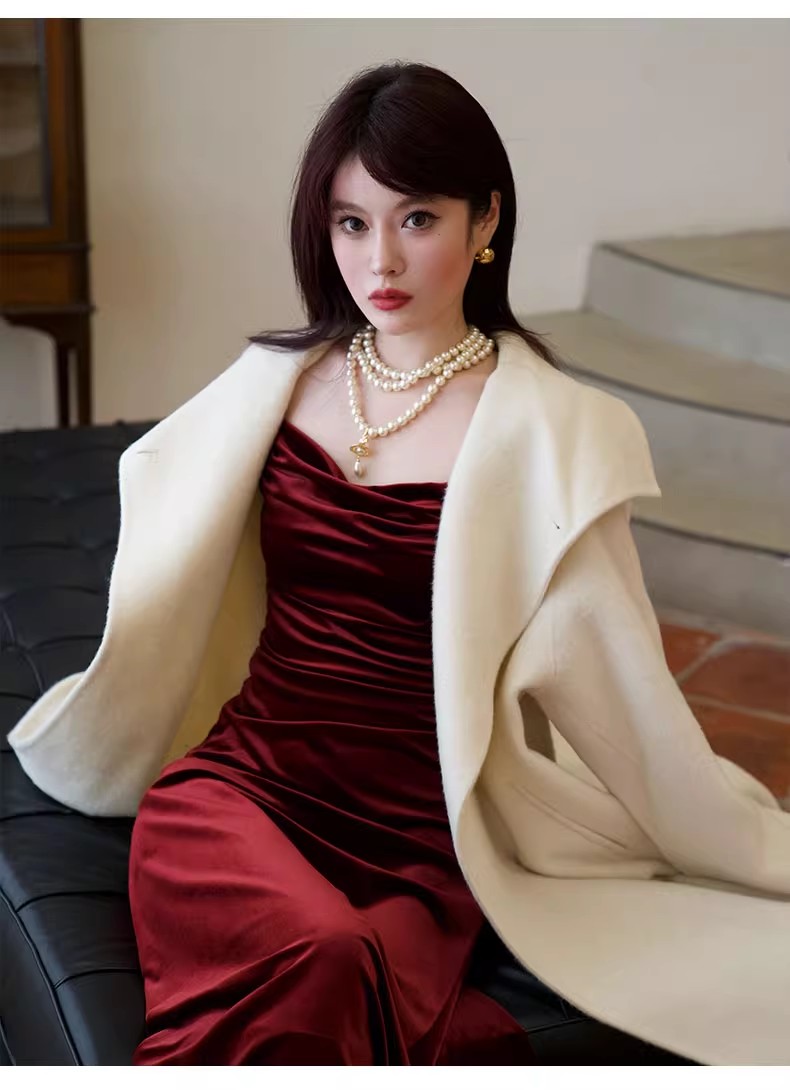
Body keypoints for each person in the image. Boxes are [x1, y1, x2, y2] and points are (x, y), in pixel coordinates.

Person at [8, 60, 790, 1067]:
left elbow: (620, 684)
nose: (379, 259)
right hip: (241, 791)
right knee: (322, 953)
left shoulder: (552, 434)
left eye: (416, 218)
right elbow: (163, 531)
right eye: (351, 222)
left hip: (420, 841)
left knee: (345, 958)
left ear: (485, 219)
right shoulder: (274, 385)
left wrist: (734, 839)